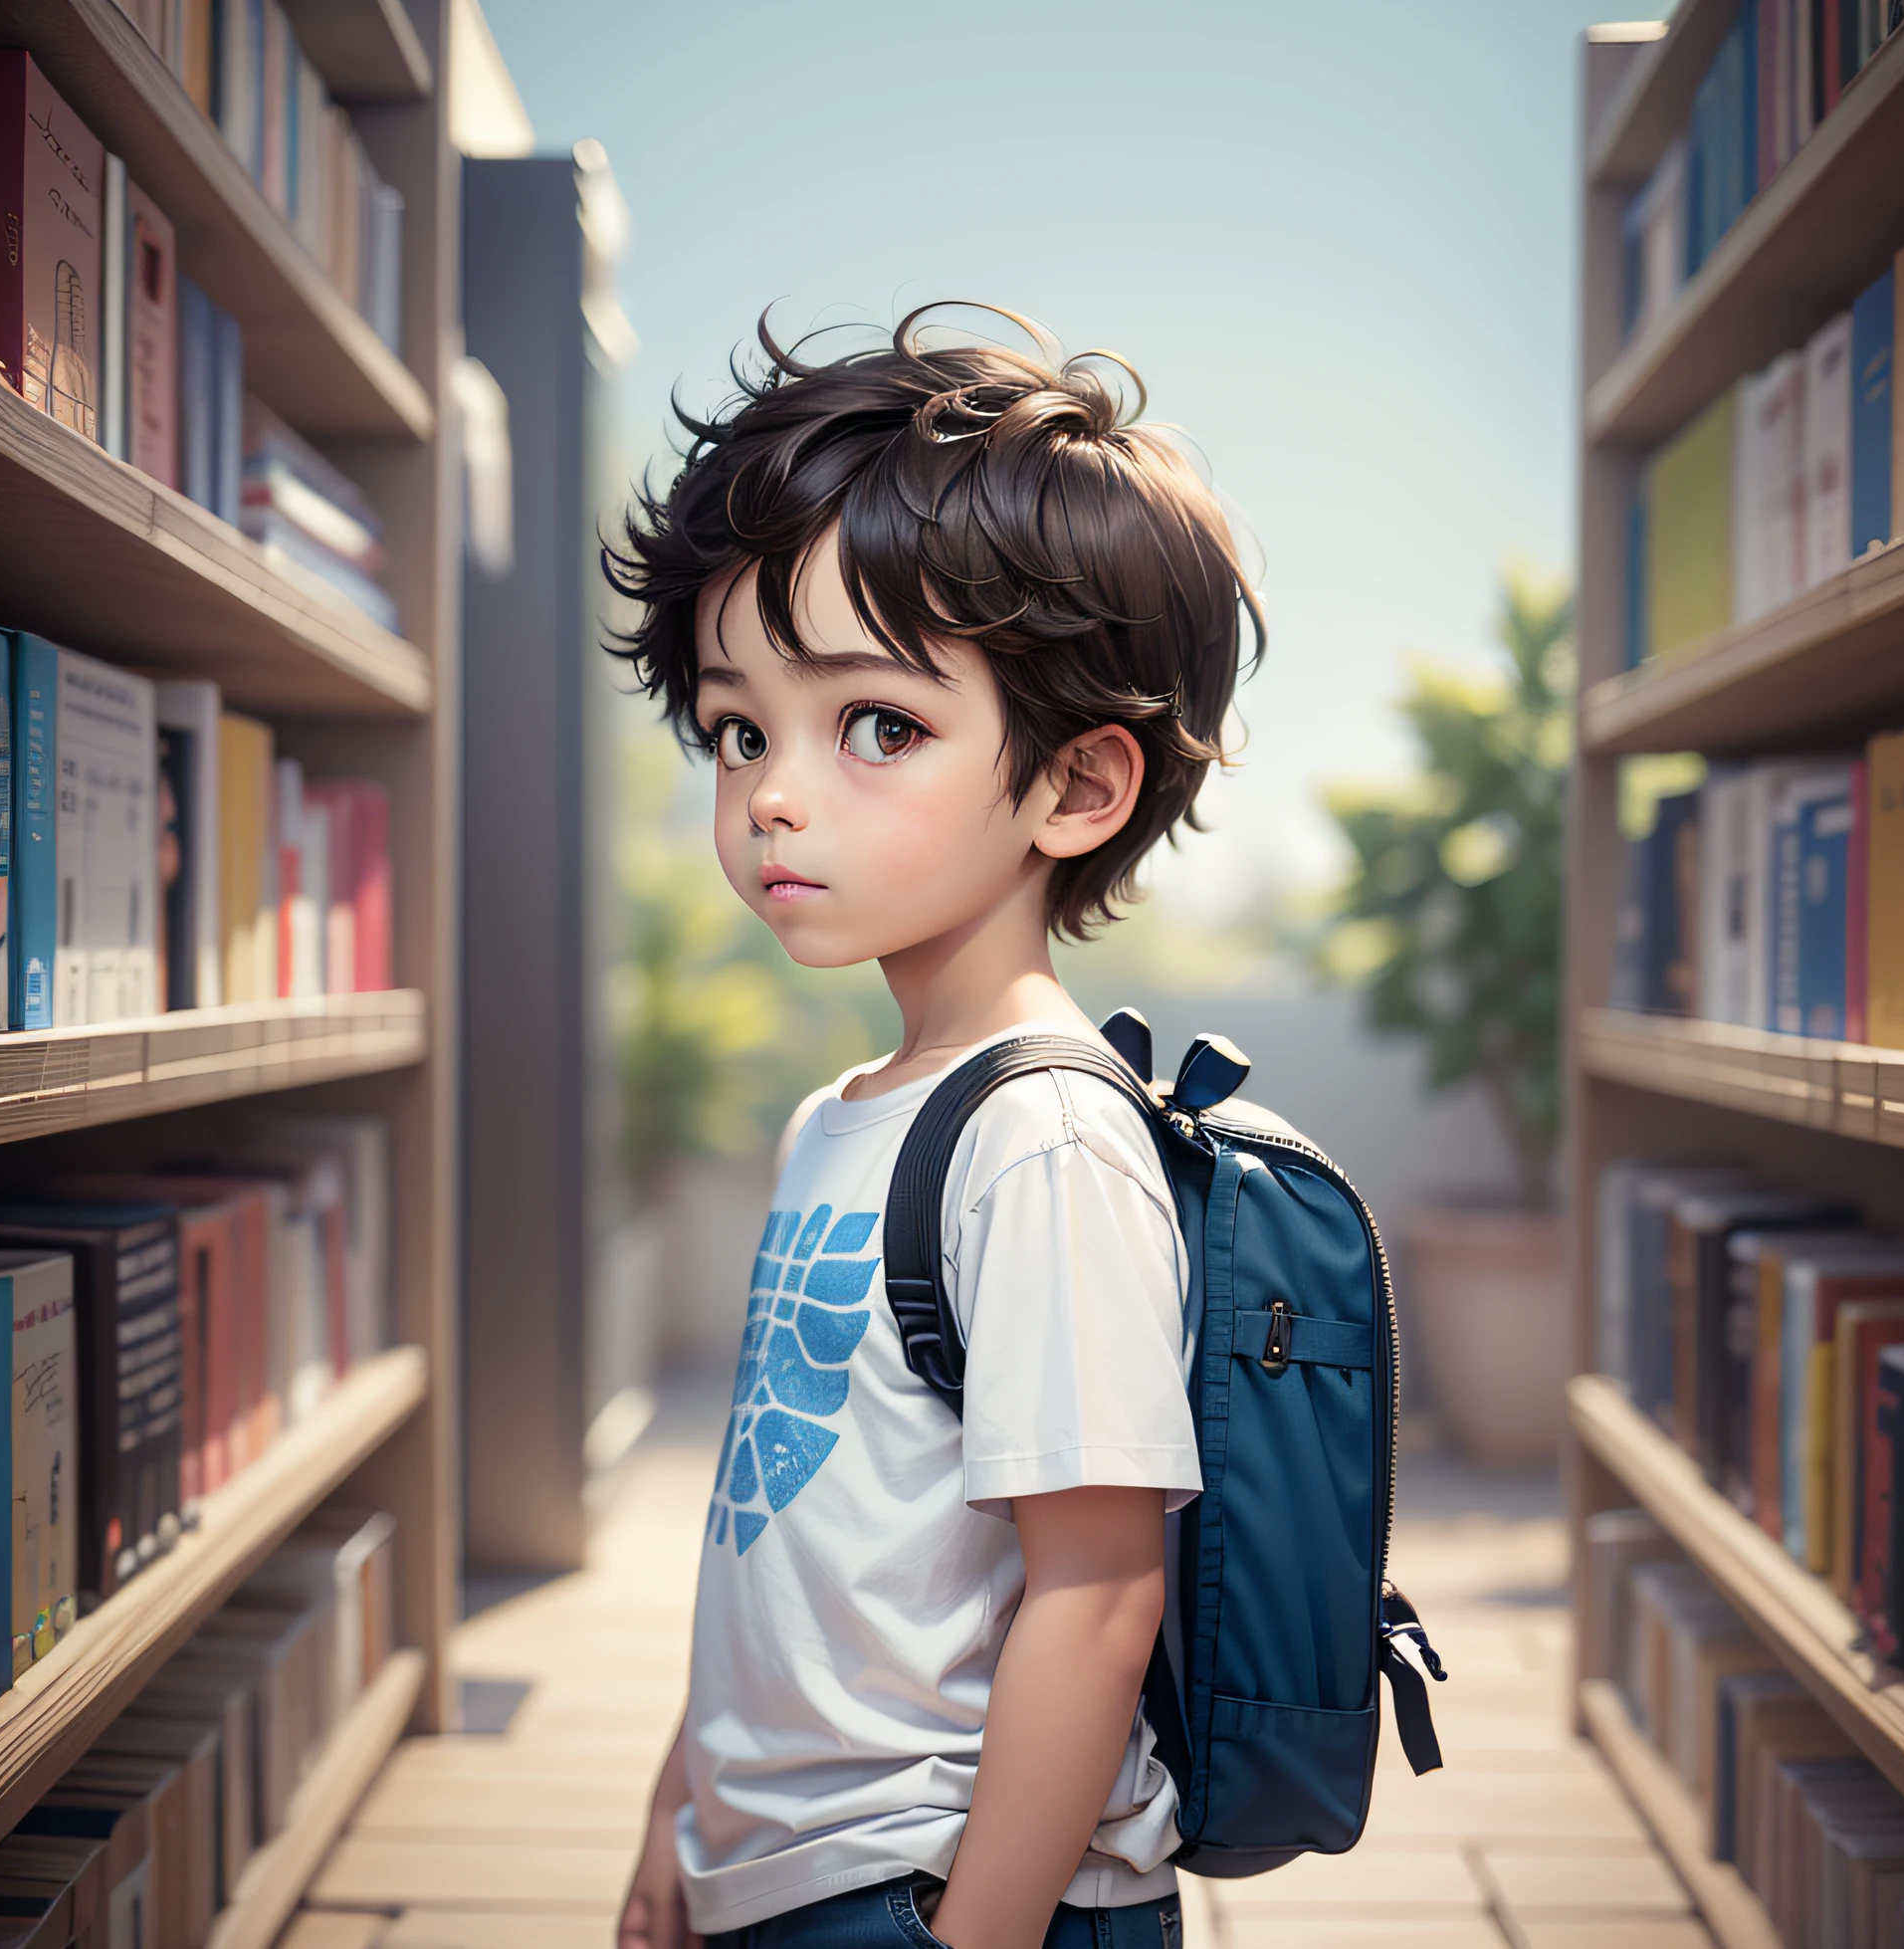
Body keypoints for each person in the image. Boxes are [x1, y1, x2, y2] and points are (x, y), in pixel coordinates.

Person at [608, 306, 1259, 1949]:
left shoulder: (1039, 1140)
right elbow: (781, 1540)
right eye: (737, 727)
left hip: (947, 1893)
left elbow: (1099, 1596)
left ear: (1077, 788)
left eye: (876, 725)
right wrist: (680, 1815)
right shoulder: (841, 1118)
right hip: (793, 1862)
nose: (768, 792)